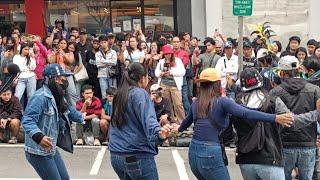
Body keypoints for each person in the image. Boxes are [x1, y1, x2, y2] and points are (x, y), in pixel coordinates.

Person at [172, 68, 294, 180]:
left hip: (193, 153)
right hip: (210, 153)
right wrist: (274, 118)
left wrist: (177, 128)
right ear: (217, 84)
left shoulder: (196, 103)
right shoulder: (222, 102)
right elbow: (246, 113)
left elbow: (185, 124)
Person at [109, 62, 172, 180]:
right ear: (143, 78)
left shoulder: (119, 94)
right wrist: (159, 134)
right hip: (136, 154)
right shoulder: (140, 93)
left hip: (116, 154)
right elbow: (149, 120)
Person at [22, 64, 84, 180]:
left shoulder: (58, 96)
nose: (66, 81)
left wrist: (81, 117)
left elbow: (68, 110)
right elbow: (27, 120)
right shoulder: (40, 97)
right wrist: (39, 137)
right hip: (38, 151)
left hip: (51, 148)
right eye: (63, 78)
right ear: (56, 79)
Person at [270, 56, 320, 180]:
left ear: (281, 72)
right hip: (308, 144)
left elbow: (270, 120)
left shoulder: (275, 92)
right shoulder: (314, 89)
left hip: (284, 144)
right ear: (299, 70)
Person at [155, 44, 186, 124]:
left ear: (172, 53)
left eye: (169, 53)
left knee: (178, 104)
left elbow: (183, 72)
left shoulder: (177, 60)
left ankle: (182, 122)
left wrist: (171, 72)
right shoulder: (161, 62)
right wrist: (161, 73)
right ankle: (171, 121)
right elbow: (156, 72)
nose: (167, 55)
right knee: (167, 105)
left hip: (175, 85)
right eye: (166, 54)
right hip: (164, 84)